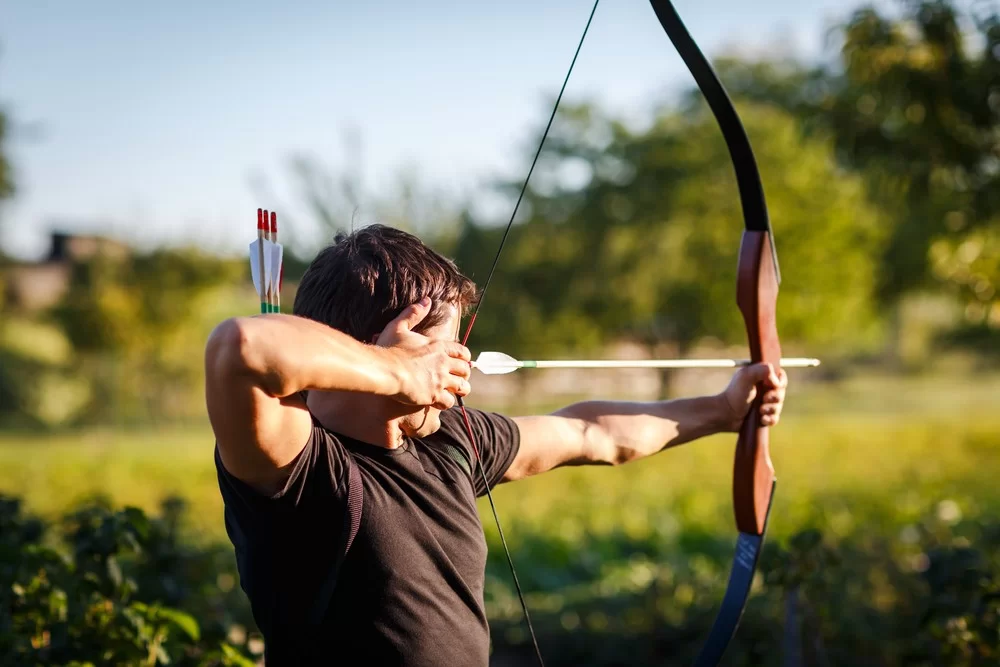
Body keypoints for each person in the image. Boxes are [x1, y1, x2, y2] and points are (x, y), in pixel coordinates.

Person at [204, 224, 787, 666]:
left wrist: (724, 410)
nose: (457, 368)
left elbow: (594, 433)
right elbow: (240, 347)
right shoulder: (299, 466)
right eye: (444, 351)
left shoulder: (446, 438)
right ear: (385, 347)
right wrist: (398, 373)